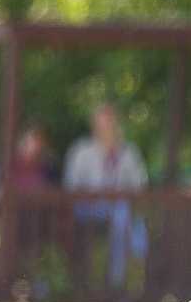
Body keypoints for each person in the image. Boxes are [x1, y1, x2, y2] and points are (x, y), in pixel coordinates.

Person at [62, 103, 149, 291]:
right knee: (121, 216)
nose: (107, 127)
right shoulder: (81, 151)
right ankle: (103, 282)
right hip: (87, 209)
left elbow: (139, 186)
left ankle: (119, 281)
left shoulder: (129, 153)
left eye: (111, 123)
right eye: (103, 123)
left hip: (120, 209)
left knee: (124, 217)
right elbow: (71, 186)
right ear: (94, 124)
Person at [10, 124, 57, 188]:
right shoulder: (9, 166)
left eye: (41, 139)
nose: (37, 143)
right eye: (34, 137)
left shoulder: (48, 169)